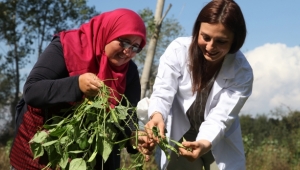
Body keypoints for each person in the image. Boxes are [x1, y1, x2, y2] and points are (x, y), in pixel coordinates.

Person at [10, 8, 154, 170]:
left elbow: (127, 116)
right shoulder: (66, 46)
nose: (128, 51)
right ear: (108, 32)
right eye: (124, 41)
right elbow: (33, 90)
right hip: (41, 150)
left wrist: (134, 135)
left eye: (136, 47)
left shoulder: (129, 72)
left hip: (88, 160)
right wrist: (77, 84)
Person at [144, 0, 253, 169]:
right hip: (180, 132)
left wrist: (203, 142)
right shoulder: (178, 50)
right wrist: (157, 115)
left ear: (234, 41)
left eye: (221, 41)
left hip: (217, 136)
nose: (210, 47)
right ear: (197, 31)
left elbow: (220, 118)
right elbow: (163, 91)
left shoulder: (241, 72)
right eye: (205, 37)